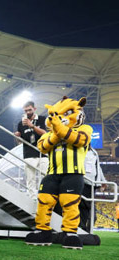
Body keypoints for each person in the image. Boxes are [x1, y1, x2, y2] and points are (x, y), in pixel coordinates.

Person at [26, 96, 92, 250]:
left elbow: (79, 140)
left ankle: (70, 234)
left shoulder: (84, 129)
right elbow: (43, 146)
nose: (59, 118)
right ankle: (43, 231)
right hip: (52, 174)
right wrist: (57, 131)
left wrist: (60, 129)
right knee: (44, 202)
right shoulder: (49, 133)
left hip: (73, 174)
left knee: (69, 204)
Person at [14, 101, 47, 197]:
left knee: (45, 176)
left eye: (29, 110)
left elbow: (45, 133)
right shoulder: (21, 124)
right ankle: (32, 197)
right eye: (25, 110)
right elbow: (20, 142)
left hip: (43, 153)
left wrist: (32, 126)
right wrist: (18, 136)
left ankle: (44, 196)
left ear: (34, 109)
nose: (28, 112)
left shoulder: (42, 119)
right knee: (30, 178)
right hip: (28, 153)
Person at [80, 147, 106, 232]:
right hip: (84, 182)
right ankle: (82, 229)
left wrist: (103, 180)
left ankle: (86, 231)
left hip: (93, 184)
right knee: (84, 208)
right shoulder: (79, 150)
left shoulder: (94, 151)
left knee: (90, 213)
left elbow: (98, 167)